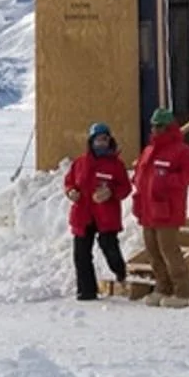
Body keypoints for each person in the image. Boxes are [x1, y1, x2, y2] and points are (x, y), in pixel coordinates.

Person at [132, 107, 189, 308]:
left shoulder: (182, 151)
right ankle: (163, 287)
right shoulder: (149, 150)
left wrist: (167, 180)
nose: (154, 129)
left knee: (169, 251)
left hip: (167, 210)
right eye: (153, 125)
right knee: (153, 252)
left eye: (159, 126)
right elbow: (141, 175)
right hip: (148, 209)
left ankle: (183, 291)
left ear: (168, 127)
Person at [63, 122, 132, 300]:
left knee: (110, 248)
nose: (102, 143)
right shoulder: (80, 163)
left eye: (105, 139)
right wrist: (71, 192)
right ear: (91, 141)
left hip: (106, 215)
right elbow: (69, 181)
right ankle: (86, 291)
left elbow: (125, 188)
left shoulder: (116, 165)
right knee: (81, 254)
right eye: (99, 139)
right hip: (83, 214)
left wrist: (111, 192)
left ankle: (120, 271)